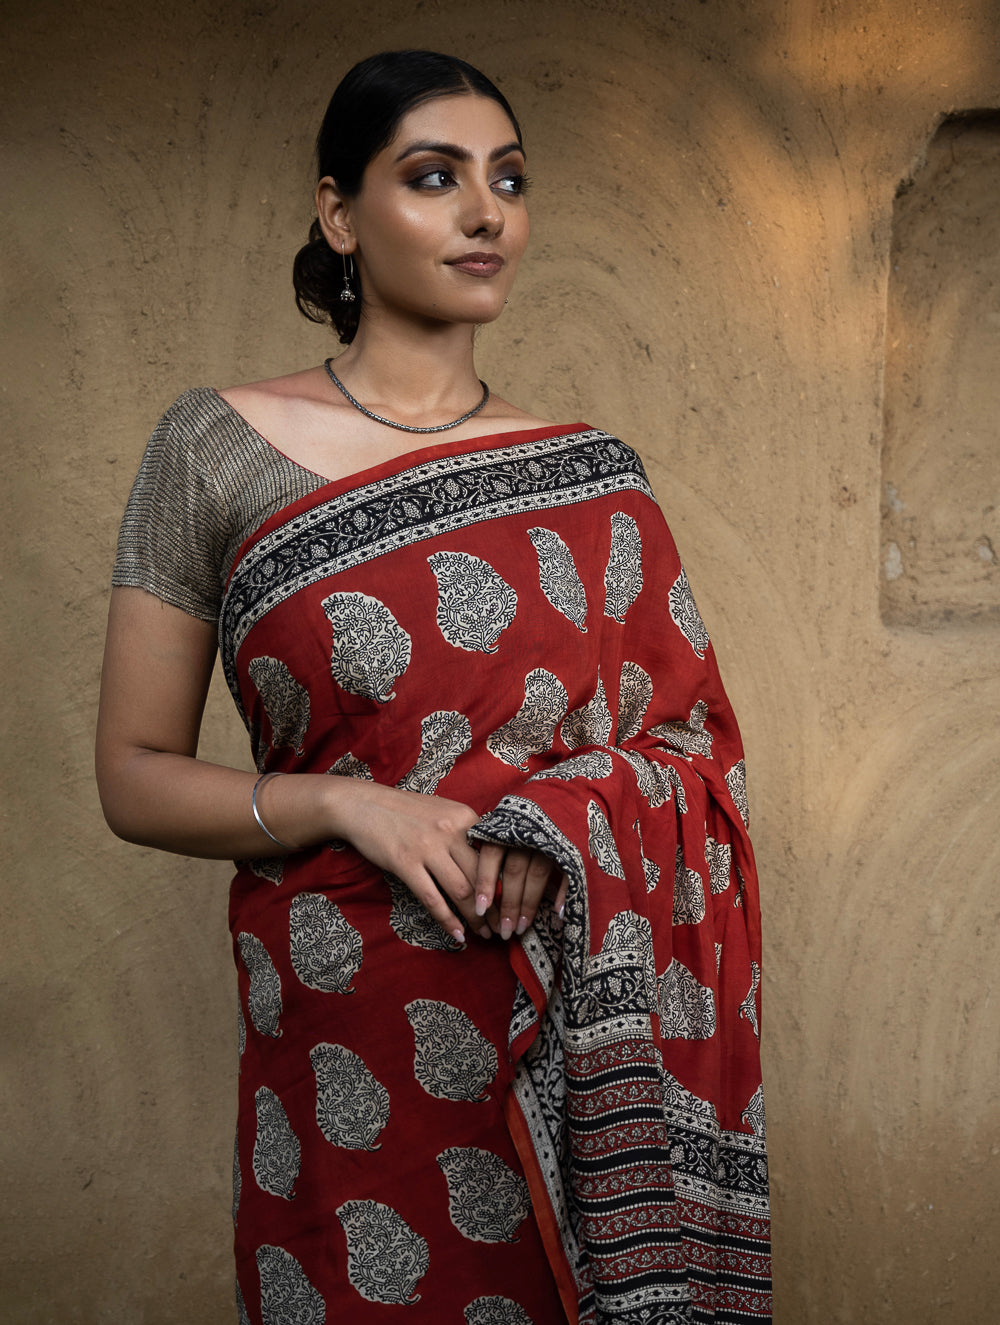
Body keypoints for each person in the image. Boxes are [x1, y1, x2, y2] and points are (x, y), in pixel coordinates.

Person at [96, 49, 771, 1325]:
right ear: (339, 212)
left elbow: (694, 753)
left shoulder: (594, 475)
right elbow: (132, 775)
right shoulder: (214, 450)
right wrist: (351, 808)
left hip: (580, 1045)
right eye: (433, 176)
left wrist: (568, 815)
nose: (485, 212)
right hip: (345, 1031)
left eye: (507, 179)